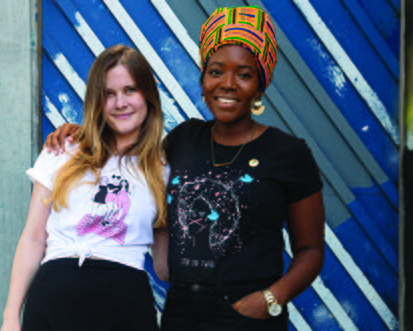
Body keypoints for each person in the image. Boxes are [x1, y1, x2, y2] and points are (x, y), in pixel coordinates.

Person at [45, 6, 325, 331]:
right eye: (216, 71)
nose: (228, 84)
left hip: (247, 319)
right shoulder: (183, 140)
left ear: (260, 86)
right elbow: (130, 161)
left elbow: (311, 250)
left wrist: (269, 299)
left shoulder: (288, 153)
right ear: (204, 80)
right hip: (181, 318)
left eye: (244, 74)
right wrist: (85, 135)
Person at [0, 44, 168, 331]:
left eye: (130, 90)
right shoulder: (64, 149)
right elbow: (33, 238)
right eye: (109, 94)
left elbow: (164, 267)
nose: (120, 103)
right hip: (54, 301)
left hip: (125, 307)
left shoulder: (163, 167)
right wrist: (10, 317)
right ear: (96, 102)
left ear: (148, 96)